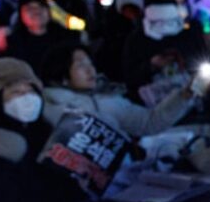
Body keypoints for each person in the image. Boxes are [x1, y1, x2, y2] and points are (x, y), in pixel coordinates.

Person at [39, 43, 198, 137]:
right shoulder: (51, 107)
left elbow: (149, 123)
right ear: (62, 76)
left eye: (90, 64)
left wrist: (184, 95)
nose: (90, 71)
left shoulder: (108, 100)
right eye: (81, 66)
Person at [0, 0, 81, 69]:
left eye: (41, 6)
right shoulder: (12, 44)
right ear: (21, 14)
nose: (36, 11)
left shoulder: (67, 38)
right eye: (30, 8)